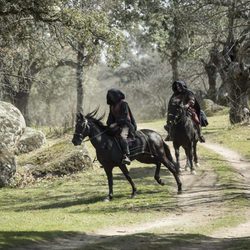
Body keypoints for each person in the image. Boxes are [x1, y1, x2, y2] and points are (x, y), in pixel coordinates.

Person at [106, 88, 137, 165]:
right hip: (117, 126)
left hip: (126, 125)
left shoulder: (124, 104)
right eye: (109, 96)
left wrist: (116, 123)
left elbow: (126, 117)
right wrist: (109, 124)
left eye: (112, 96)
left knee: (122, 137)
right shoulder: (112, 106)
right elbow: (110, 117)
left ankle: (126, 156)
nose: (111, 98)